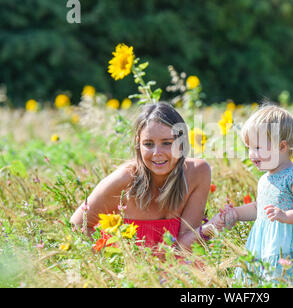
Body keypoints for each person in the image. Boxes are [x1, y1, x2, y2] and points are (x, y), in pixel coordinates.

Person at [70, 102, 222, 250]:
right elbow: (77, 224)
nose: (157, 153)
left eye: (167, 143)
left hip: (179, 271)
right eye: (148, 144)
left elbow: (185, 247)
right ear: (138, 144)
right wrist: (111, 260)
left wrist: (212, 226)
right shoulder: (125, 180)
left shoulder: (197, 173)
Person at [220, 104, 293, 284]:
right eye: (249, 148)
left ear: (282, 146)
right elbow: (259, 209)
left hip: (289, 248)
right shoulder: (265, 179)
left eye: (258, 148)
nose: (252, 155)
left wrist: (286, 215)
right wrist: (236, 213)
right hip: (265, 245)